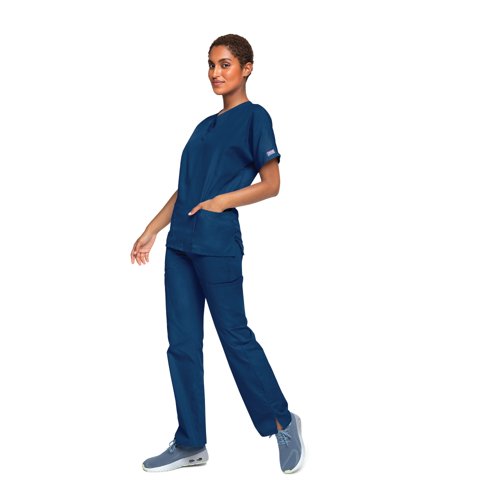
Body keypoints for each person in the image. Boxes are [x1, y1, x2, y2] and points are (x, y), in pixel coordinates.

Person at [130, 34, 304, 474]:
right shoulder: (202, 127)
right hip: (179, 247)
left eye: (225, 64)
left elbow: (271, 183)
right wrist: (152, 229)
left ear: (247, 68)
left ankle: (282, 421)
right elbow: (185, 189)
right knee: (182, 345)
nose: (215, 73)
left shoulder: (255, 118)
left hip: (217, 244)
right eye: (210, 64)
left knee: (234, 336)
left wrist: (222, 201)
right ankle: (190, 441)